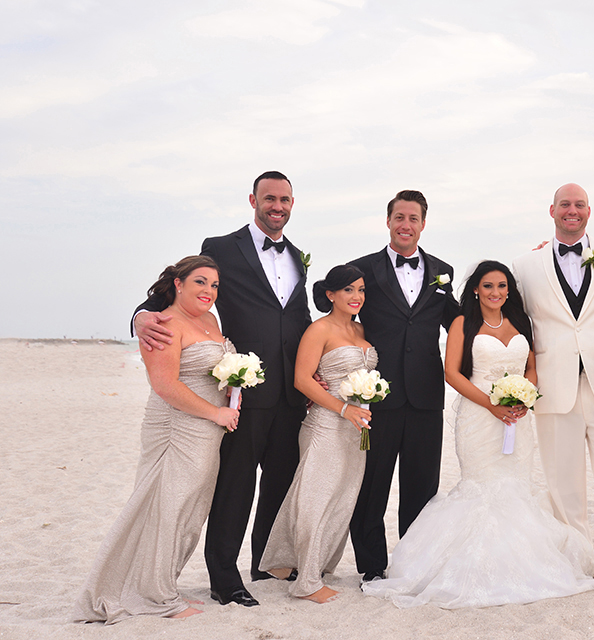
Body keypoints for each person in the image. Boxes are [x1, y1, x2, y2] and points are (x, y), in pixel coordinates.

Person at [362, 261, 594, 608]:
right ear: (475, 288)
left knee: (516, 486)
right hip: (478, 416)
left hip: (517, 418)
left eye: (502, 286)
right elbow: (452, 374)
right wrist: (491, 405)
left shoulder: (520, 321)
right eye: (488, 286)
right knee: (482, 486)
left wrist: (525, 394)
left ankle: (521, 563)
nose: (496, 293)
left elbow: (531, 367)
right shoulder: (463, 323)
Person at [133, 171, 312, 607]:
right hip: (241, 390)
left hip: (291, 392)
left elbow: (297, 316)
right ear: (253, 199)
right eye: (270, 198)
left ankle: (266, 562)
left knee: (280, 482)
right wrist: (141, 314)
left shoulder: (297, 256)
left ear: (293, 203)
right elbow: (181, 285)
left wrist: (316, 368)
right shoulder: (221, 247)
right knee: (235, 486)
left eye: (285, 199)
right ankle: (224, 577)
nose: (278, 206)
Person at [76, 256, 240, 624]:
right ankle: (153, 594)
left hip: (209, 430)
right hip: (178, 426)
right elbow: (165, 385)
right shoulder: (163, 322)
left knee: (190, 511)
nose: (209, 292)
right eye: (200, 282)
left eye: (214, 285)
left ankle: (161, 583)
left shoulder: (211, 320)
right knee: (166, 506)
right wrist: (216, 412)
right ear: (178, 284)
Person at [512, 183, 594, 592]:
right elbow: (516, 324)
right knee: (563, 482)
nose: (572, 210)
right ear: (552, 210)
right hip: (552, 385)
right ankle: (581, 557)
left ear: (589, 210)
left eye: (579, 204)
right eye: (565, 204)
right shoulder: (525, 266)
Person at [347, 190, 460, 584]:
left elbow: (458, 322)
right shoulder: (363, 269)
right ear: (388, 221)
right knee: (371, 487)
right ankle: (372, 567)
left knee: (422, 487)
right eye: (399, 217)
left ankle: (414, 563)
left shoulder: (442, 271)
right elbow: (329, 301)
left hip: (427, 396)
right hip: (378, 395)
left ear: (423, 223)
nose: (405, 225)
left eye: (413, 218)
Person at [259, 265, 377, 604]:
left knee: (342, 498)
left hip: (356, 429)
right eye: (349, 291)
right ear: (330, 294)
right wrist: (343, 408)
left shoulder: (361, 329)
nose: (357, 297)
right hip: (325, 424)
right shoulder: (319, 329)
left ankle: (300, 564)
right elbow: (303, 379)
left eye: (361, 290)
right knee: (316, 498)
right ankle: (307, 581)